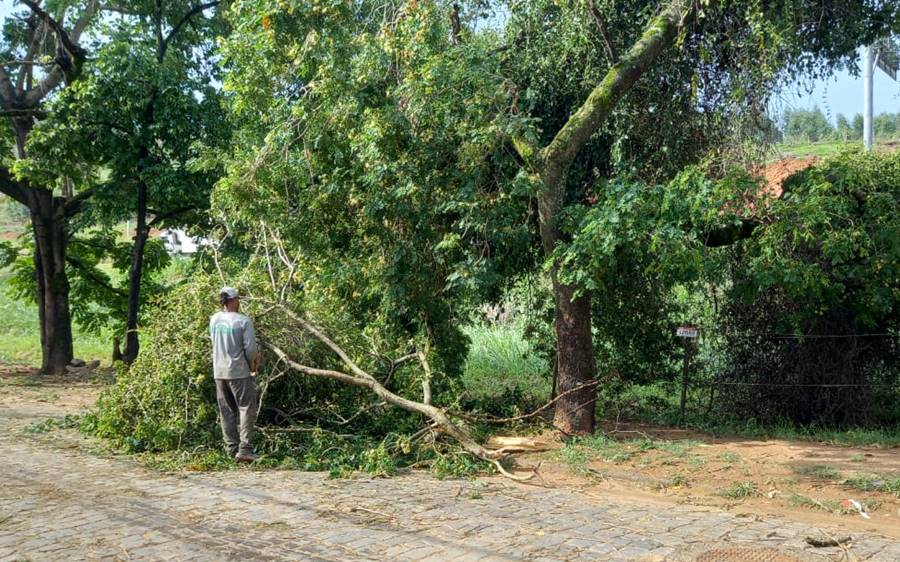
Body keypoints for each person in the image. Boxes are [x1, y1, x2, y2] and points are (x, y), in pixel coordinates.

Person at [210, 286, 261, 462]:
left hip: (219, 371)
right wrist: (253, 366)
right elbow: (251, 349)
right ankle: (245, 449)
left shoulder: (214, 320)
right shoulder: (243, 321)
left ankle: (231, 449)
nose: (239, 302)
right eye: (238, 299)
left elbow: (214, 343)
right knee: (247, 407)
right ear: (232, 300)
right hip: (238, 371)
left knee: (226, 411)